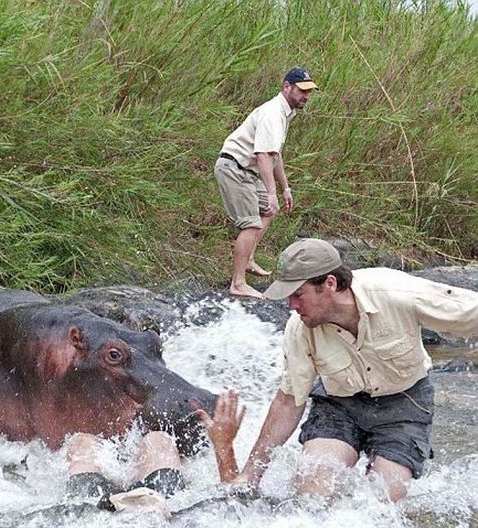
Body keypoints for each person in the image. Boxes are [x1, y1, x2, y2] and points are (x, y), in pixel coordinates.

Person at [197, 238, 478, 502]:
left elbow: (469, 313)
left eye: (297, 295)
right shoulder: (299, 328)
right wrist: (250, 475)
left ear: (329, 283)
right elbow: (288, 400)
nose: (291, 305)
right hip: (338, 404)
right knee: (312, 493)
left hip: (404, 405)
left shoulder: (395, 293)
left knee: (380, 502)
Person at [214, 67, 317, 298]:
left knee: (269, 211)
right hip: (234, 168)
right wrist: (271, 193)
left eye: (309, 91)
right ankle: (238, 284)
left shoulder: (284, 113)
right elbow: (262, 156)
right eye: (302, 90)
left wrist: (285, 188)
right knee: (251, 224)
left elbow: (274, 154)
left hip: (247, 171)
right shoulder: (273, 112)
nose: (306, 96)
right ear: (286, 87)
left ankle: (248, 258)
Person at [65, 431, 184, 512]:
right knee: (159, 440)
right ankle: (133, 476)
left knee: (81, 442)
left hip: (94, 506)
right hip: (159, 503)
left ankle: (131, 477)